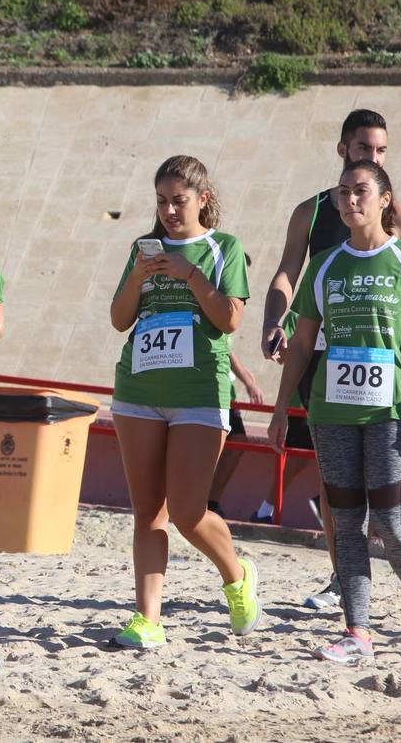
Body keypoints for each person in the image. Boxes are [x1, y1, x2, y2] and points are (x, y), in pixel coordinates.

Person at [268, 161, 401, 662]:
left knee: (392, 523)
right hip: (331, 413)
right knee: (346, 524)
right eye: (343, 192)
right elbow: (303, 343)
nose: (351, 200)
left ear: (384, 199)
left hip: (390, 412)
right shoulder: (326, 264)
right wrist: (284, 409)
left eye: (362, 191)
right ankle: (358, 631)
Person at [262, 109, 401, 609]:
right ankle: (341, 577)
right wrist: (276, 321)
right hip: (324, 358)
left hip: (384, 367)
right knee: (337, 486)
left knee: (387, 506)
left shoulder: (400, 217)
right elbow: (287, 273)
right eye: (363, 148)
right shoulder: (309, 212)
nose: (373, 157)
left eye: (381, 151)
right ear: (342, 150)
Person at [107, 155, 260, 650]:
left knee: (189, 510)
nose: (169, 210)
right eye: (161, 201)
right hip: (139, 391)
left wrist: (189, 274)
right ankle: (148, 618)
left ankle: (237, 577)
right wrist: (139, 275)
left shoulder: (224, 248)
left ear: (203, 200)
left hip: (198, 392)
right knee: (148, 511)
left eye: (179, 200)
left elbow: (230, 320)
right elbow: (119, 318)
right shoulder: (142, 249)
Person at [206, 351, 266, 518]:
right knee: (205, 447)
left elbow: (228, 348)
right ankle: (197, 501)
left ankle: (211, 503)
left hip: (224, 392)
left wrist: (248, 378)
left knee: (237, 441)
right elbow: (226, 348)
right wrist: (248, 381)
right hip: (206, 391)